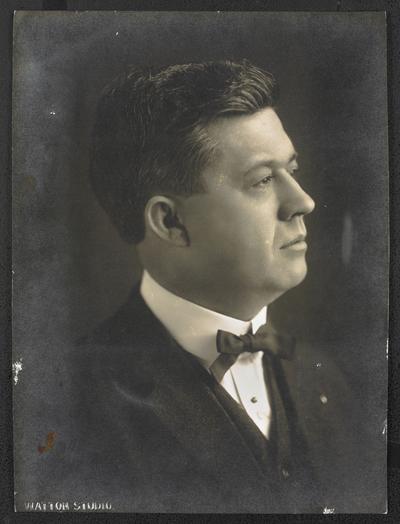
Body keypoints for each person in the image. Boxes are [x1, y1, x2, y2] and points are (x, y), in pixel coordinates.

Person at [38, 60, 375, 513]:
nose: (303, 202)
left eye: (292, 170)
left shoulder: (326, 378)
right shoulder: (64, 409)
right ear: (171, 222)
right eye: (261, 181)